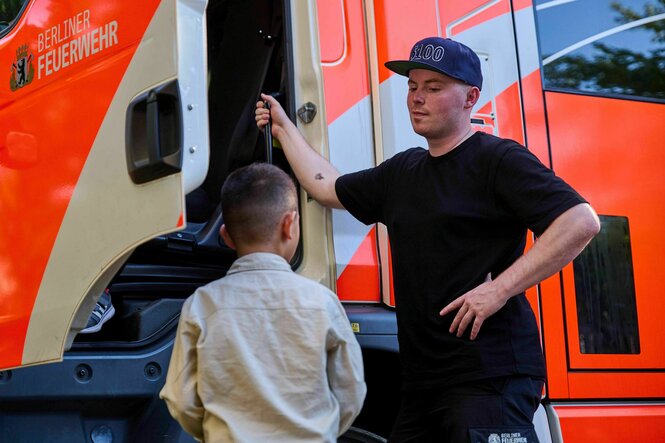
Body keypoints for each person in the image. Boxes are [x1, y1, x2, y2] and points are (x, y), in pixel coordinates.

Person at [255, 36, 600, 442]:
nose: (417, 98)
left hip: (490, 376)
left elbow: (580, 221)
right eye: (412, 86)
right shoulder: (403, 172)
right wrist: (284, 129)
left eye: (433, 88)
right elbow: (327, 186)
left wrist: (499, 291)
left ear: (471, 97)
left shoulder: (498, 159)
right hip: (422, 383)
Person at [159, 163, 366, 442]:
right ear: (289, 224)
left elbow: (180, 400)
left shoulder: (202, 305)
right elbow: (350, 392)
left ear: (226, 237)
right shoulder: (322, 302)